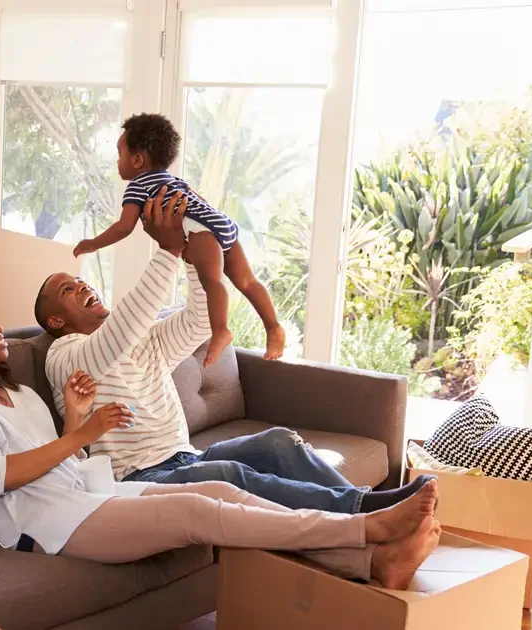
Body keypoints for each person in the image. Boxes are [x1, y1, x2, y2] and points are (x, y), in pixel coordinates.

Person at [0, 291, 441, 589]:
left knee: (225, 495)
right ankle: (363, 527)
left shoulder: (18, 393)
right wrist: (85, 434)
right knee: (195, 512)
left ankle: (373, 563)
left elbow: (62, 463)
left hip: (82, 497)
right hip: (43, 524)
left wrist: (74, 420)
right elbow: (1, 477)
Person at [38, 185, 434, 514]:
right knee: (229, 474)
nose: (83, 286)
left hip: (184, 456)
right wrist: (167, 251)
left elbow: (199, 321)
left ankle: (371, 508)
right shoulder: (65, 355)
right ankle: (366, 512)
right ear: (56, 320)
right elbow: (115, 340)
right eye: (67, 290)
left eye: (80, 280)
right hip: (139, 478)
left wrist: (194, 256)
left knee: (279, 441)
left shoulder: (142, 337)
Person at [73, 113, 284, 365]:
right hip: (220, 221)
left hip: (199, 229)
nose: (117, 161)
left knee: (212, 281)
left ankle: (220, 330)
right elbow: (201, 201)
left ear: (137, 160)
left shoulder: (138, 186)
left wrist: (93, 243)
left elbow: (124, 226)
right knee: (248, 281)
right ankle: (273, 328)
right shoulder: (174, 180)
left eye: (120, 155)